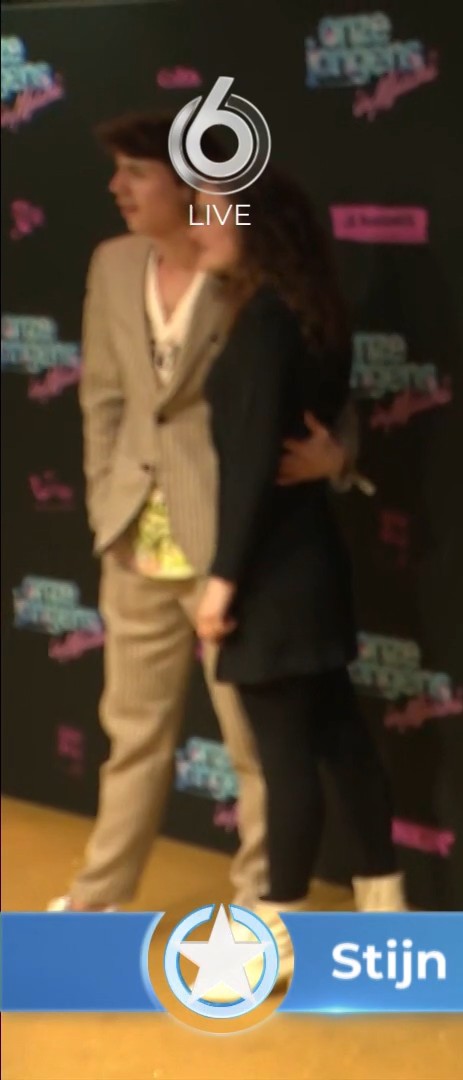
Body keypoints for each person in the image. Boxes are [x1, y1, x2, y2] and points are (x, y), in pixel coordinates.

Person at [56, 112, 362, 914]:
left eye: (136, 173)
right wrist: (105, 504)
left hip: (235, 545)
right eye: (118, 172)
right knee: (132, 736)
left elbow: (324, 379)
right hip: (134, 537)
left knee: (255, 745)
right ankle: (99, 899)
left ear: (189, 184)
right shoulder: (112, 264)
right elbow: (104, 400)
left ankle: (264, 902)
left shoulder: (248, 271)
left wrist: (339, 456)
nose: (117, 188)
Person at [185, 165, 408, 973]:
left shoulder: (266, 324)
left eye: (209, 213)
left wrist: (221, 582)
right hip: (308, 563)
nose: (197, 227)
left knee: (287, 759)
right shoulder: (309, 317)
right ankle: (384, 908)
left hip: (272, 577)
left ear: (256, 225)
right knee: (341, 740)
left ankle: (276, 935)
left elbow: (252, 466)